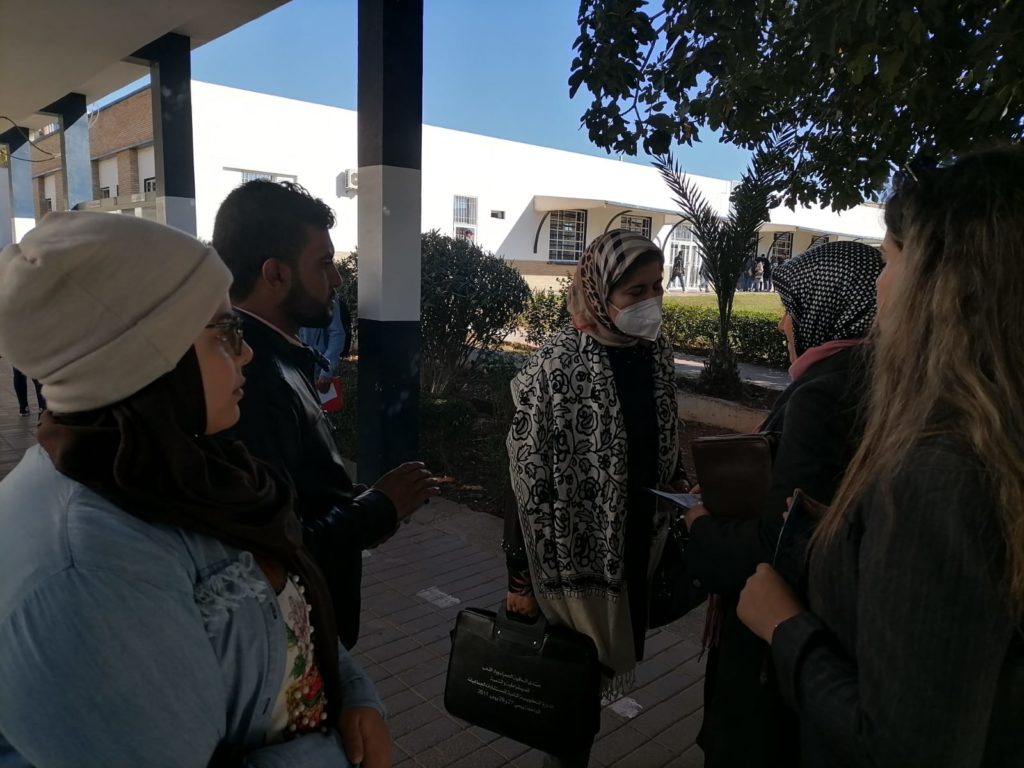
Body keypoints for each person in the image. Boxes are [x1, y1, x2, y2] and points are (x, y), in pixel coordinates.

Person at [0, 212, 389, 766]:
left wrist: (353, 692)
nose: (246, 352)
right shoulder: (87, 572)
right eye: (225, 333)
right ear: (148, 356)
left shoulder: (188, 468)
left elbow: (283, 606)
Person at [738, 148, 1024, 766]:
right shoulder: (988, 441)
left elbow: (905, 743)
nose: (878, 284)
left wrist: (784, 627)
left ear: (945, 287)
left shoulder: (942, 469)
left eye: (891, 259)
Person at [680, 240, 883, 766]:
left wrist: (701, 526)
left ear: (826, 305)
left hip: (777, 650)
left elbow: (783, 539)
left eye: (791, 308)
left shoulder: (827, 393)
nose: (782, 324)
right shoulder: (880, 377)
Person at [213, 179, 438, 650]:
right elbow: (276, 546)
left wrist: (363, 502)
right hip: (297, 639)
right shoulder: (249, 383)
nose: (336, 280)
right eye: (324, 263)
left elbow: (298, 493)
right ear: (275, 274)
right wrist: (379, 508)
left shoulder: (276, 358)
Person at [504, 229, 686, 767]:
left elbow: (665, 434)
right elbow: (524, 476)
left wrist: (680, 483)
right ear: (599, 292)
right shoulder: (557, 365)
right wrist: (519, 580)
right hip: (568, 555)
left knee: (594, 676)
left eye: (658, 287)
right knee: (569, 696)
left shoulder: (653, 354)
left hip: (633, 543)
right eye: (636, 291)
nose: (651, 302)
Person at [300, 294, 352, 394]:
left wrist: (326, 371)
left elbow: (337, 334)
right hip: (294, 368)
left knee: (321, 402)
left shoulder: (324, 291)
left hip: (318, 370)